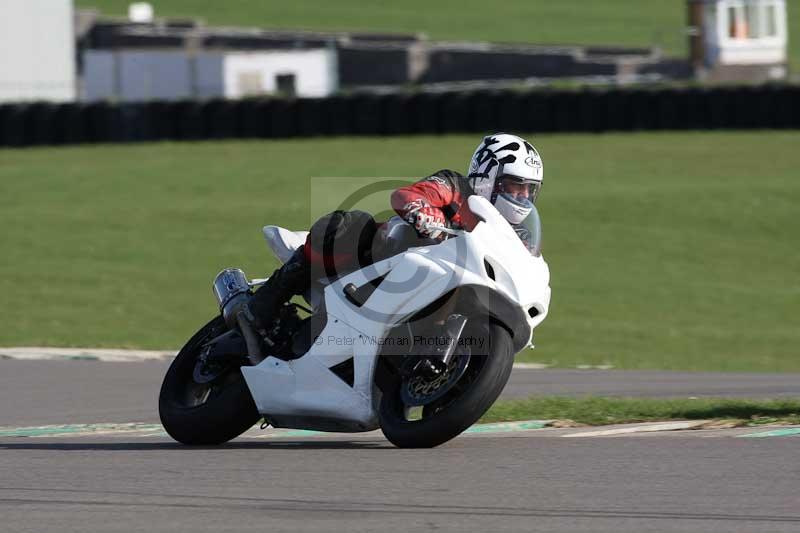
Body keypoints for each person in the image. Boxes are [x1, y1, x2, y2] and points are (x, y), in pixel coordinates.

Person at [245, 133, 544, 339]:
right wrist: (423, 212)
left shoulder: (515, 236)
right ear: (487, 176)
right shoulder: (454, 187)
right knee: (350, 225)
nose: (522, 196)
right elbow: (406, 194)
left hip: (434, 300)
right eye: (513, 185)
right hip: (382, 265)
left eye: (528, 189)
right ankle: (267, 301)